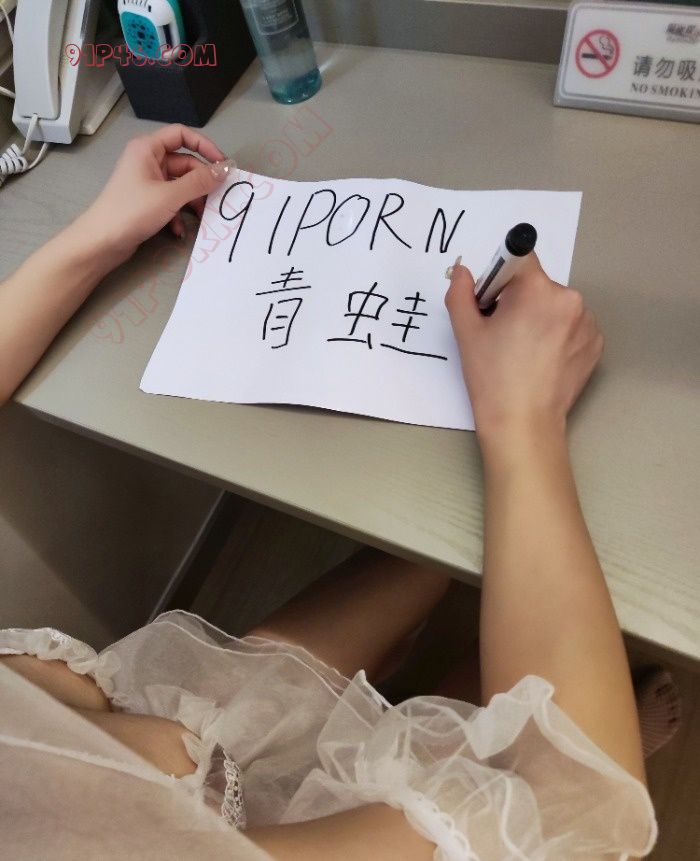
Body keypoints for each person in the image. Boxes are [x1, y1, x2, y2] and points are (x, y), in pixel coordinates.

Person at [0, 125, 666, 860]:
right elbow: (577, 823)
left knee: (433, 539)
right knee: (539, 770)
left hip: (129, 736)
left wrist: (95, 237)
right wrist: (522, 420)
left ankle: (459, 694)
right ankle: (473, 725)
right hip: (182, 832)